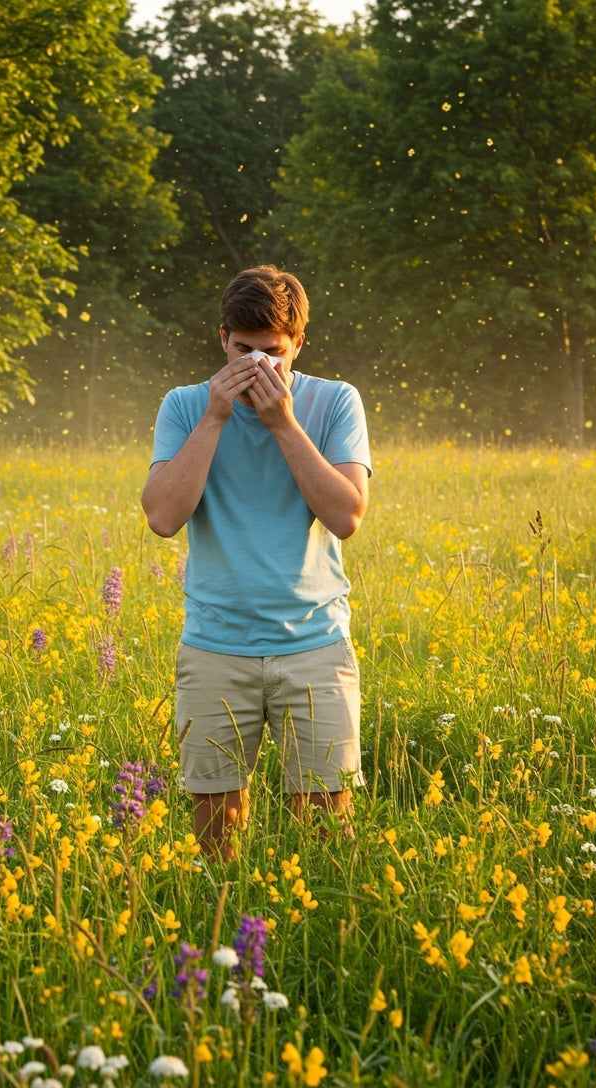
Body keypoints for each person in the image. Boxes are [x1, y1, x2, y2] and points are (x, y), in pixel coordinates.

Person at [141, 265, 371, 862]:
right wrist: (217, 417)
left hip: (315, 643)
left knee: (324, 831)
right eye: (243, 350)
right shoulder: (186, 406)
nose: (257, 367)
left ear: (298, 345)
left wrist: (282, 423)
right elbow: (163, 517)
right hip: (216, 644)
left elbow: (346, 515)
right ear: (222, 339)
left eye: (274, 353)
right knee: (216, 832)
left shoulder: (334, 401)